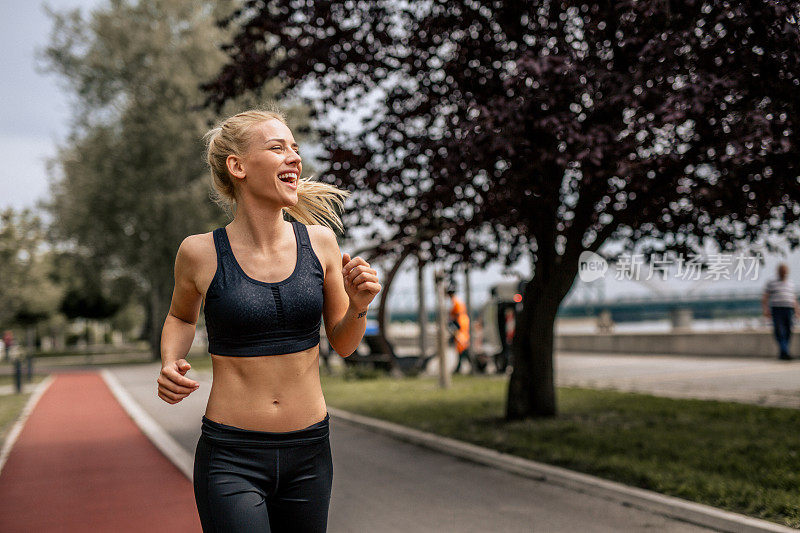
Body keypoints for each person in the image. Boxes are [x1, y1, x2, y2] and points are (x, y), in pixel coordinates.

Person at [156, 107, 381, 532]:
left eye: (295, 148)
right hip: (232, 455)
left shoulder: (321, 243)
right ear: (237, 166)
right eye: (277, 148)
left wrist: (358, 305)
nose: (294, 157)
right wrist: (170, 360)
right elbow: (180, 318)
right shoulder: (199, 252)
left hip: (310, 452)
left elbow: (345, 343)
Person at [762, 262, 800, 360]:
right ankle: (785, 351)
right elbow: (765, 297)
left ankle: (784, 351)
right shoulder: (771, 283)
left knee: (788, 330)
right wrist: (766, 309)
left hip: (789, 309)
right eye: (782, 271)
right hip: (777, 309)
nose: (783, 273)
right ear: (778, 272)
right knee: (779, 331)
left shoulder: (790, 283)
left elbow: (794, 298)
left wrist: (797, 310)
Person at [447, 287, 471, 374]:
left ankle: (462, 366)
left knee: (462, 343)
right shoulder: (456, 301)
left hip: (460, 324)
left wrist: (452, 324)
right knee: (461, 344)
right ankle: (460, 366)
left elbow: (455, 314)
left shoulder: (455, 302)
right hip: (462, 322)